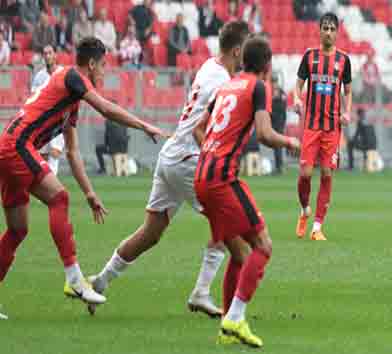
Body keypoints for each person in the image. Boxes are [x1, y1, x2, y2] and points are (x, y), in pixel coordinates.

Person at [87, 21, 252, 318]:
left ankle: (100, 282)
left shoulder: (208, 67)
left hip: (171, 156)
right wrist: (216, 161)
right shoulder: (223, 82)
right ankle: (205, 295)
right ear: (238, 51)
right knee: (233, 233)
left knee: (151, 232)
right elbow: (205, 129)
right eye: (246, 50)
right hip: (189, 160)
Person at [0, 37, 167, 320]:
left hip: (9, 148)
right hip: (16, 146)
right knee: (59, 198)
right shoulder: (72, 76)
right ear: (91, 64)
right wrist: (141, 124)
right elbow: (105, 108)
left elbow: (74, 151)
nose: (104, 72)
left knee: (18, 230)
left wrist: (89, 194)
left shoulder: (71, 98)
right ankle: (74, 278)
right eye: (103, 66)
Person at [194, 34, 300, 348]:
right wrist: (290, 142)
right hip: (222, 180)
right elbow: (266, 135)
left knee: (239, 253)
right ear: (267, 65)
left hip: (202, 176)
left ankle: (228, 328)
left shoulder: (227, 85)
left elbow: (200, 127)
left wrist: (212, 152)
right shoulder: (258, 87)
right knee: (263, 245)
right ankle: (235, 316)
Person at [293, 12, 352, 241]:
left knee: (327, 173)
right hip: (311, 126)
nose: (328, 32)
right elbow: (297, 86)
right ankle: (304, 209)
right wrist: (297, 99)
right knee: (305, 174)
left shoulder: (344, 60)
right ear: (319, 31)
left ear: (337, 32)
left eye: (332, 29)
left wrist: (346, 111)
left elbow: (348, 91)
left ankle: (317, 227)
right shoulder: (309, 56)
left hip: (332, 127)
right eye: (325, 28)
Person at [32, 45, 65, 176]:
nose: (47, 56)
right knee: (43, 155)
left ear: (55, 55)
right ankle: (47, 184)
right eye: (45, 54)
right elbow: (34, 98)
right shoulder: (39, 76)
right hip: (43, 120)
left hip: (58, 119)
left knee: (55, 152)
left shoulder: (63, 73)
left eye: (50, 53)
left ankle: (52, 186)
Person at [271, 75, 287, 174]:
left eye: (275, 82)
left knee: (278, 145)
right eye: (273, 82)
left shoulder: (281, 93)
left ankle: (279, 166)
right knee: (275, 145)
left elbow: (282, 108)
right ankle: (278, 166)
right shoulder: (271, 93)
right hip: (273, 122)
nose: (274, 84)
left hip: (279, 122)